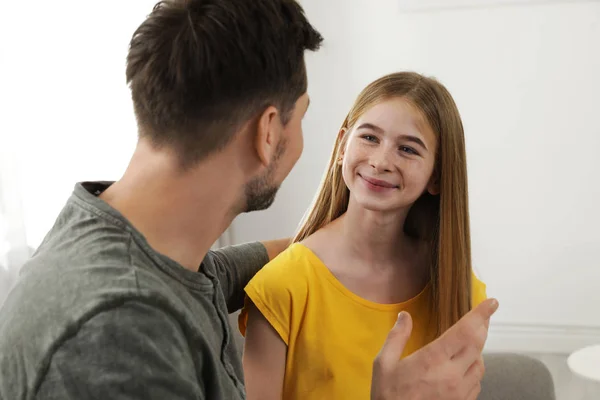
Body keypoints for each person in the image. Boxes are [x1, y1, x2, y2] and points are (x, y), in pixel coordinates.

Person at [0, 0, 498, 399]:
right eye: (301, 116)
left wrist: (351, 243)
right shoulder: (119, 336)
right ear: (267, 132)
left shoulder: (143, 253)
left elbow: (219, 272)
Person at [240, 71, 491, 400]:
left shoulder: (457, 287)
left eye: (408, 149)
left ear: (436, 177)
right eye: (370, 138)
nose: (381, 161)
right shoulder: (282, 287)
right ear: (343, 145)